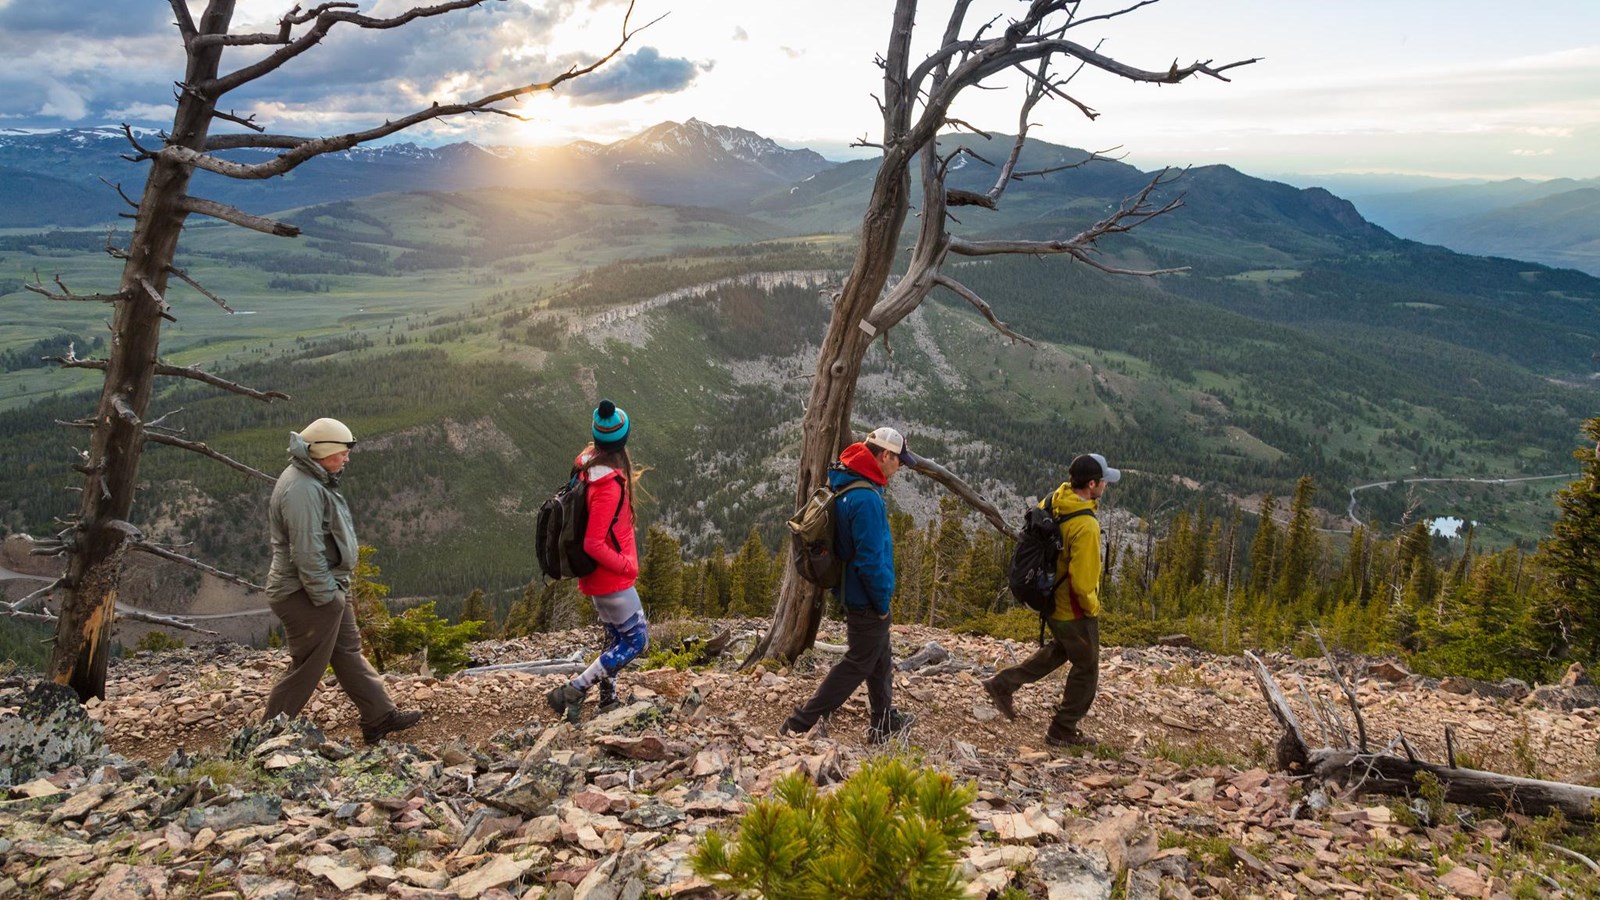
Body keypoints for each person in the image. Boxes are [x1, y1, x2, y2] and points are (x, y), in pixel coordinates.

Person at [262, 417, 422, 744]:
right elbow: (306, 552)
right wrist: (327, 597)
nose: (347, 458)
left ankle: (379, 716)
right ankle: (267, 735)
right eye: (342, 452)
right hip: (305, 593)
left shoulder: (313, 478)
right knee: (307, 667)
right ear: (321, 451)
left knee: (347, 652)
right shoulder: (303, 489)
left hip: (326, 587)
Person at [780, 426, 918, 744]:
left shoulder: (846, 482)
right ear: (885, 456)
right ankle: (799, 724)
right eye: (899, 461)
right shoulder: (866, 499)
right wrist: (882, 603)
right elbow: (871, 561)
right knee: (857, 662)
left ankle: (883, 723)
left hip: (851, 590)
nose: (900, 468)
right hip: (866, 597)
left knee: (879, 658)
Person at [982, 452, 1120, 749]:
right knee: (1087, 666)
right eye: (1104, 481)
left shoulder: (1055, 499)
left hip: (1050, 600)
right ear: (1092, 484)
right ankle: (1063, 729)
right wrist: (1093, 609)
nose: (1106, 486)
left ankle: (1003, 684)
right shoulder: (1086, 525)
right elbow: (1083, 583)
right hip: (1072, 608)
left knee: (1061, 650)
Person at [546, 399, 649, 723]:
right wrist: (626, 565)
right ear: (622, 441)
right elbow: (593, 542)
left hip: (597, 579)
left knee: (615, 638)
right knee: (637, 640)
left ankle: (608, 699)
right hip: (611, 579)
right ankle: (573, 690)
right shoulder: (608, 485)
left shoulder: (588, 470)